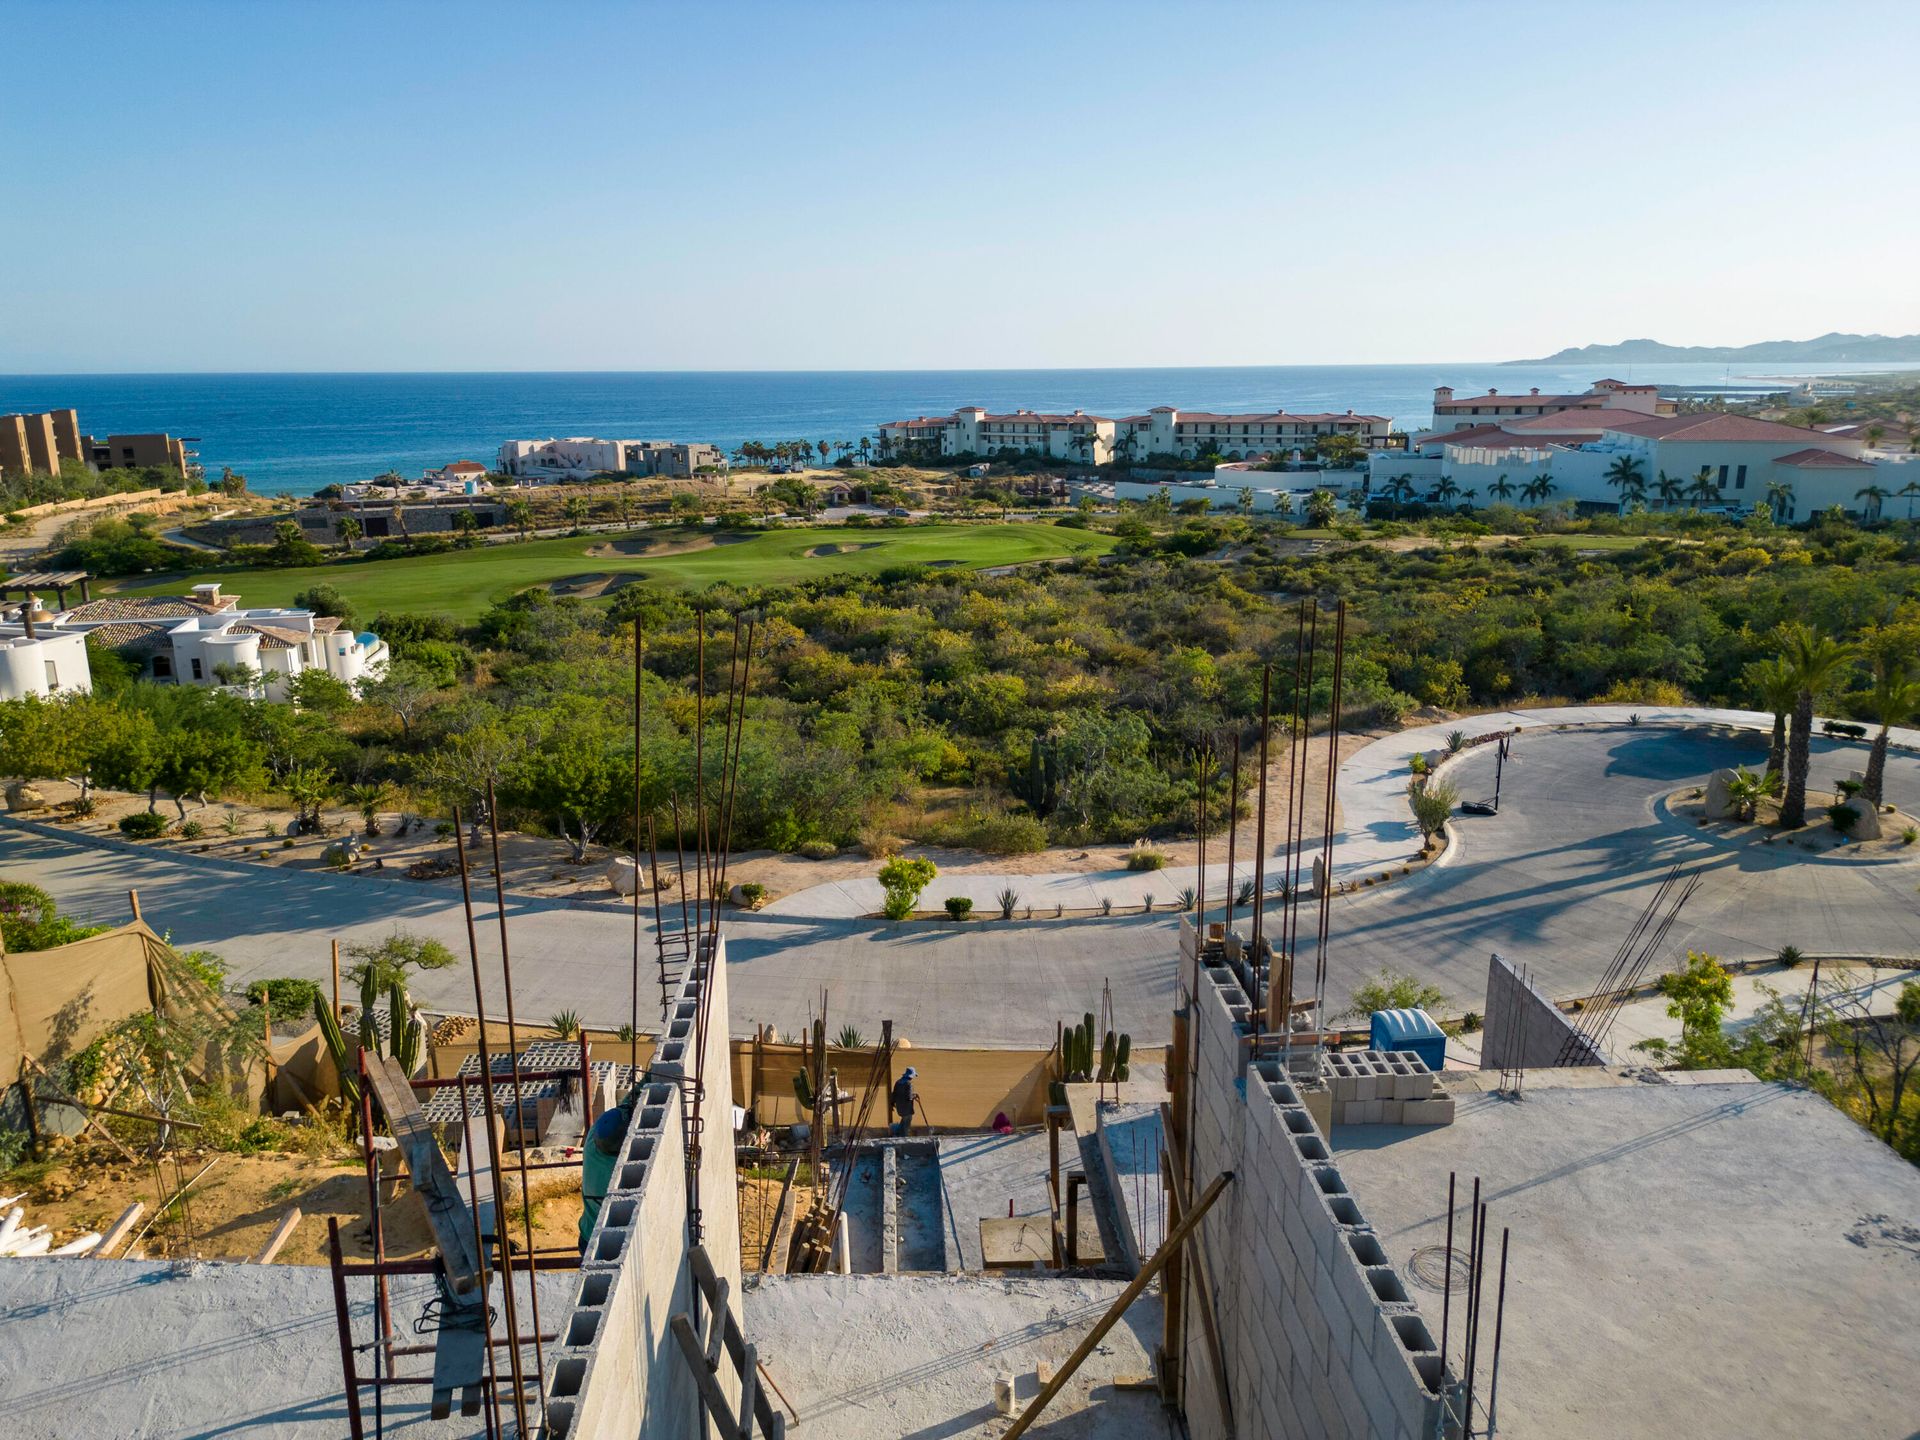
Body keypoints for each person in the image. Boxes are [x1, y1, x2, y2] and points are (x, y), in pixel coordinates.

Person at [579, 1082, 641, 1251]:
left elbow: (625, 1107)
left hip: (586, 1235)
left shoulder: (594, 1138)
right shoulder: (617, 1170)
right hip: (602, 1242)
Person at [889, 1066, 917, 1136]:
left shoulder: (898, 1082)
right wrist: (915, 1096)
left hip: (899, 1108)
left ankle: (897, 1132)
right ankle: (903, 1136)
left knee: (904, 1120)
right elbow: (909, 1097)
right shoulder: (909, 1084)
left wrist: (892, 1104)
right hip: (907, 1109)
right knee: (907, 1124)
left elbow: (894, 1094)